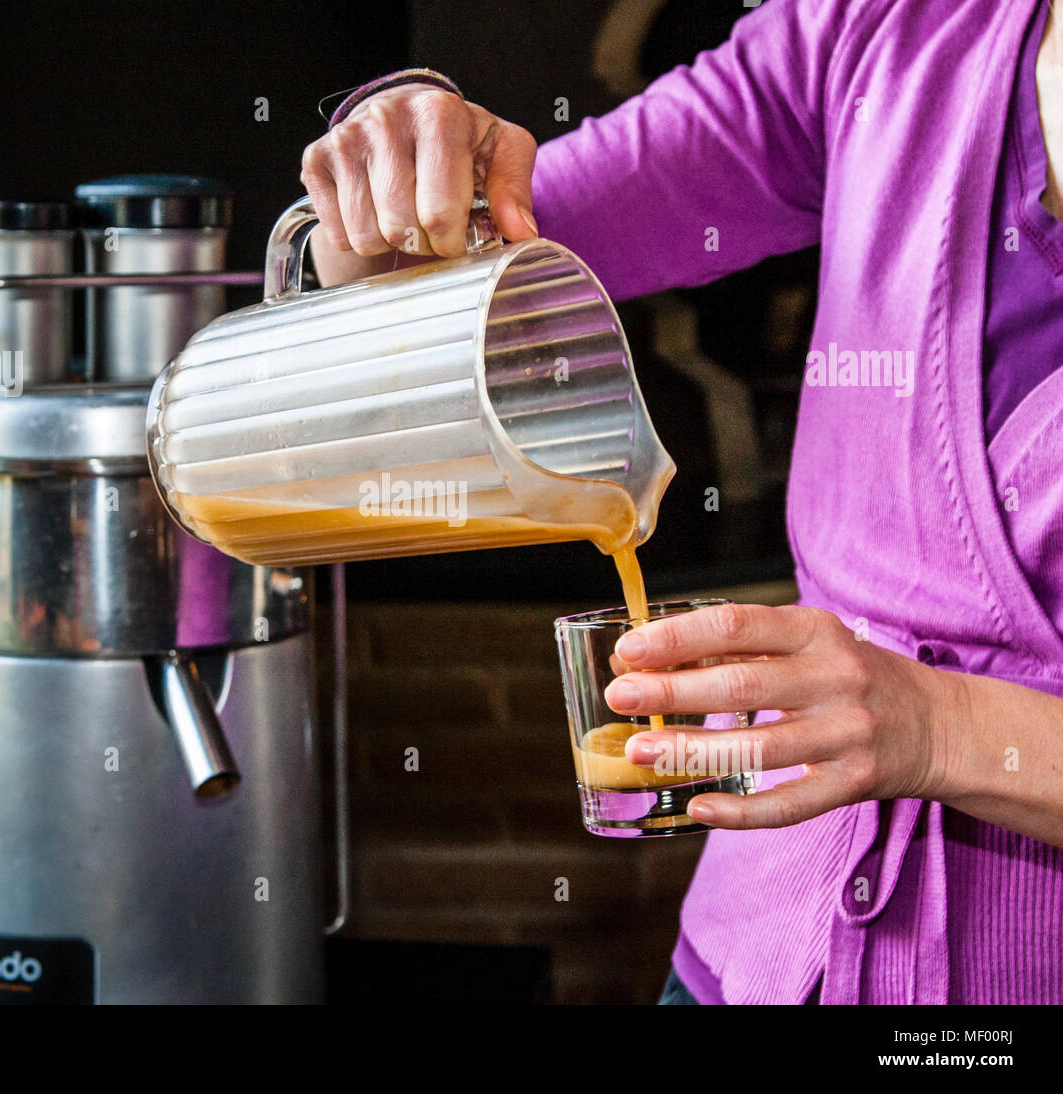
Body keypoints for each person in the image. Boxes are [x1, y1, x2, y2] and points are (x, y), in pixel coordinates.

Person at [300, 0, 1063, 1005]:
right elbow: (455, 268)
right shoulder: (886, 28)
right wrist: (403, 158)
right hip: (752, 960)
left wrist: (935, 725)